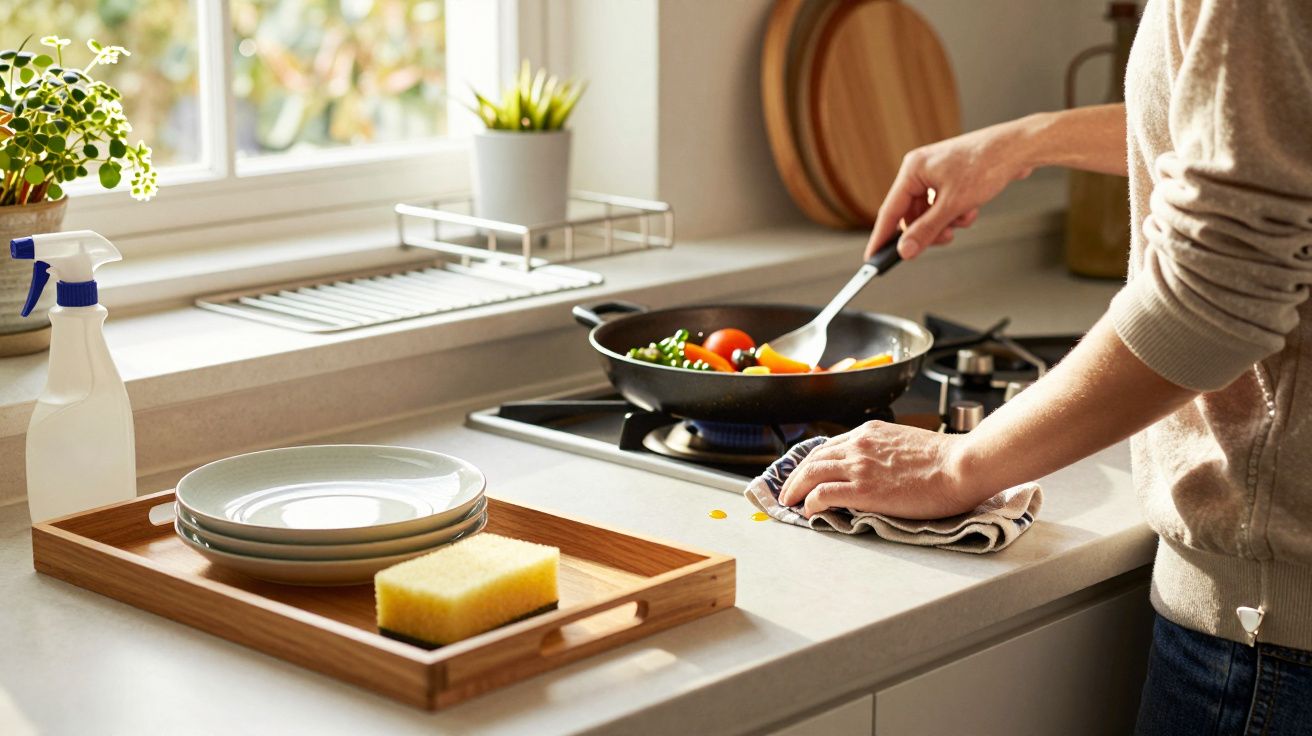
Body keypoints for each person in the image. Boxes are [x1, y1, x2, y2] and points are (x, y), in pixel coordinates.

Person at [775, 1, 1312, 732]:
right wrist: (1027, 141)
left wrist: (958, 464)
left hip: (1271, 643)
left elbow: (1215, 302)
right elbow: (1267, 126)